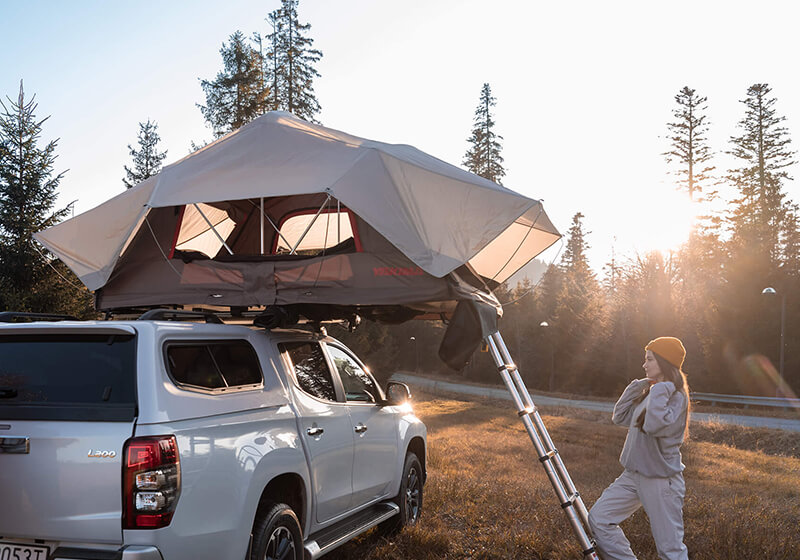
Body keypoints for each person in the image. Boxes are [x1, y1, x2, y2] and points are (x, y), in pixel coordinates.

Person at [588, 336, 691, 560]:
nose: (644, 365)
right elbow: (620, 416)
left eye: (649, 360)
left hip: (661, 480)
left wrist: (659, 388)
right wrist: (640, 386)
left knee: (670, 549)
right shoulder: (653, 392)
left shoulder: (675, 396)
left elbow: (654, 425)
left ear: (664, 362)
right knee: (599, 518)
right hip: (633, 475)